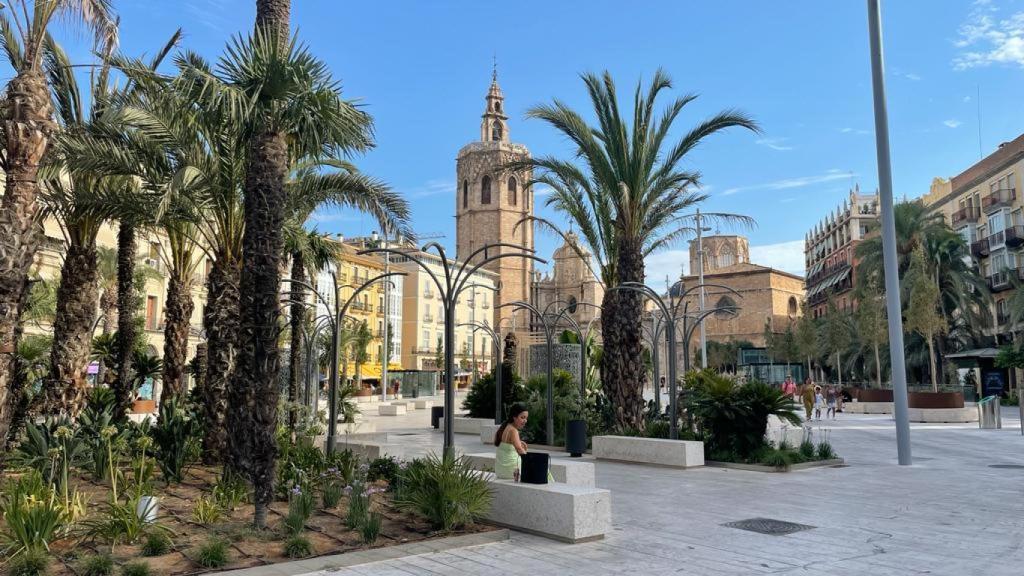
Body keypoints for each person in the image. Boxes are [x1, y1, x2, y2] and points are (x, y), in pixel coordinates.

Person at [493, 403, 531, 481]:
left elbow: (506, 443)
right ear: (514, 417)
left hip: (500, 470)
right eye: (522, 417)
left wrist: (519, 442)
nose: (525, 421)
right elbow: (519, 450)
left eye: (526, 418)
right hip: (510, 470)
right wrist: (530, 461)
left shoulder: (505, 427)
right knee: (543, 469)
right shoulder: (513, 431)